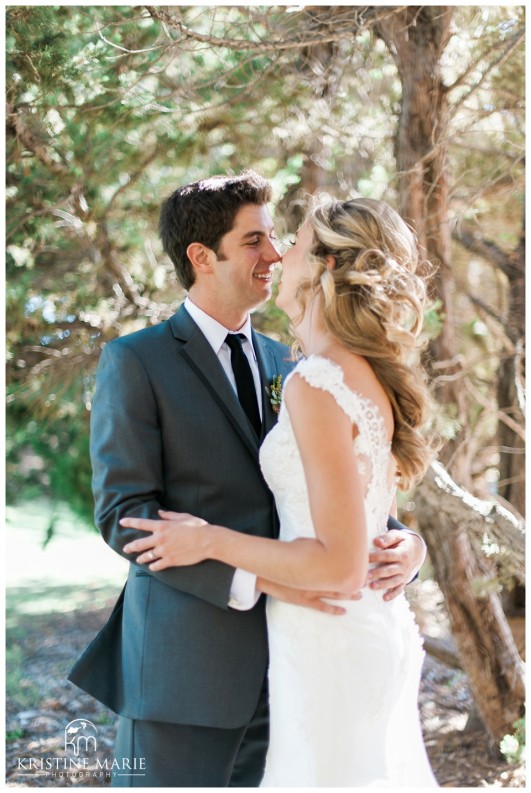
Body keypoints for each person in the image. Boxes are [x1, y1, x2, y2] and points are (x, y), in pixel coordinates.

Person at [68, 173, 427, 787]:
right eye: (256, 240)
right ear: (203, 257)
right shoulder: (137, 362)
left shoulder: (299, 364)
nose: (276, 255)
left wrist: (403, 545)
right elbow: (126, 518)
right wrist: (258, 578)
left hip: (300, 663)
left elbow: (330, 492)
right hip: (189, 671)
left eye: (278, 240)